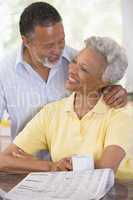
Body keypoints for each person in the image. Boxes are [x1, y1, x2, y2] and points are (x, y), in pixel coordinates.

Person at [0, 36, 132, 180]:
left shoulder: (121, 115)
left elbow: (104, 171)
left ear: (104, 81)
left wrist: (33, 163)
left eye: (84, 69)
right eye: (75, 61)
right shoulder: (51, 112)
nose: (72, 69)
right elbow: (4, 160)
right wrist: (51, 166)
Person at [0, 2, 127, 141]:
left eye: (61, 41)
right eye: (48, 45)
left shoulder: (77, 61)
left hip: (74, 159)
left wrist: (116, 91)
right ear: (26, 41)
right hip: (25, 159)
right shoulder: (4, 71)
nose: (58, 50)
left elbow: (100, 84)